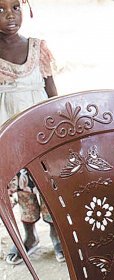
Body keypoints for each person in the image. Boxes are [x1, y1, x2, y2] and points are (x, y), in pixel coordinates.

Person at [1, 0, 63, 265]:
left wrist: (59, 130)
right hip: (8, 134)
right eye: (0, 9)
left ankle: (56, 234)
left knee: (47, 183)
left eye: (16, 7)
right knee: (20, 185)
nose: (10, 16)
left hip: (40, 133)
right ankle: (29, 235)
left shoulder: (37, 48)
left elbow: (52, 93)